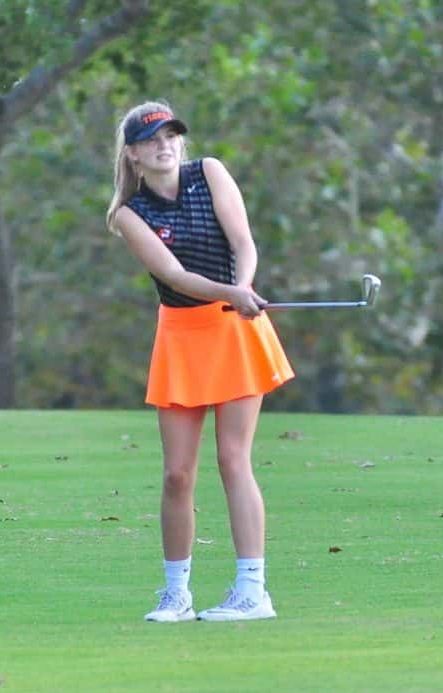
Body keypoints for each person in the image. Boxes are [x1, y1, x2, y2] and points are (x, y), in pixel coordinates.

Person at [106, 100, 294, 622]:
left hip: (234, 329)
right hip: (182, 336)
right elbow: (173, 275)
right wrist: (229, 292)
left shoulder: (209, 173)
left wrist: (242, 287)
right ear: (133, 154)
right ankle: (176, 594)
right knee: (177, 474)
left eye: (170, 136)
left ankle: (252, 592)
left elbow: (243, 242)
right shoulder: (129, 214)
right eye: (151, 140)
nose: (164, 145)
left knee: (233, 459)